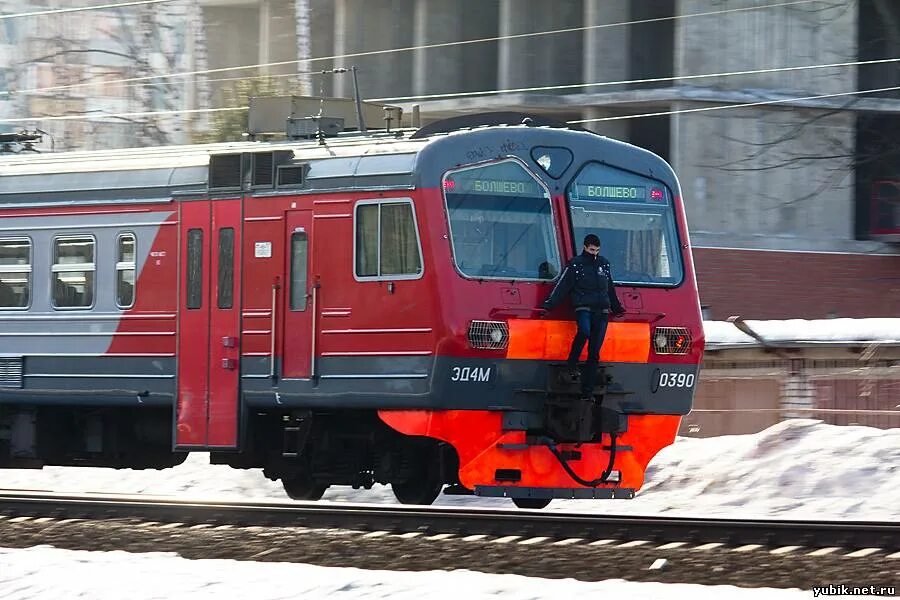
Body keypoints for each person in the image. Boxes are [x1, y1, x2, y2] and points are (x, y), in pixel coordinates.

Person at [541, 233, 625, 399]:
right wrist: (549, 305)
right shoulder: (575, 265)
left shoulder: (604, 264)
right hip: (583, 308)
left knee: (594, 353)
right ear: (585, 247)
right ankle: (572, 362)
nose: (594, 253)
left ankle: (587, 392)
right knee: (584, 332)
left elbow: (610, 288)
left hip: (602, 311)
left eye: (597, 250)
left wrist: (617, 307)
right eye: (592, 249)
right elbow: (563, 286)